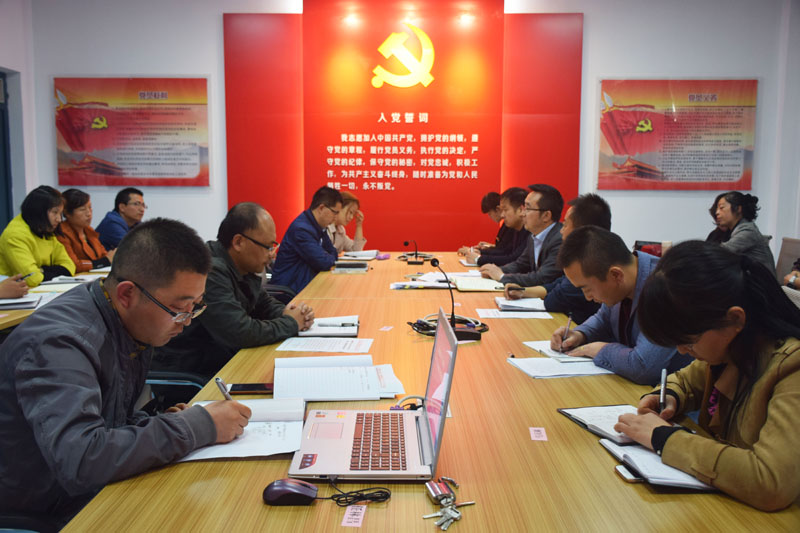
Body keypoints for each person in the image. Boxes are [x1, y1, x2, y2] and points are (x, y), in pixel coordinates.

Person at [0, 218, 251, 526]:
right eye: (179, 308)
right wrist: (196, 427)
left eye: (196, 306)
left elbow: (110, 419)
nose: (187, 321)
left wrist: (161, 422)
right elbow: (81, 461)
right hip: (45, 508)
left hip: (90, 492)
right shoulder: (59, 343)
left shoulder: (126, 321)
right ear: (126, 294)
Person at [614, 241, 800, 511]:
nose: (682, 351)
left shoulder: (791, 367)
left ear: (735, 320)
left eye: (689, 342)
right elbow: (686, 381)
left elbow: (770, 481)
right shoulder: (734, 348)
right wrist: (668, 396)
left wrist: (664, 438)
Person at [153, 203, 315, 381]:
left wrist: (289, 312)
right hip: (196, 374)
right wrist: (291, 323)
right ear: (238, 242)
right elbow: (240, 332)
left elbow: (263, 303)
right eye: (267, 247)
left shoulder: (242, 266)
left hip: (223, 359)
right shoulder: (211, 271)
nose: (272, 254)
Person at [551, 226, 691, 385]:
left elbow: (643, 367)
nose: (587, 298)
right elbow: (603, 319)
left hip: (670, 394)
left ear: (616, 275)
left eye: (587, 289)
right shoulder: (622, 282)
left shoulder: (664, 287)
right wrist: (579, 335)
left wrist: (598, 349)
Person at [504, 193, 611, 323]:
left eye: (565, 225)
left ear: (582, 232)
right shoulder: (590, 253)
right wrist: (523, 291)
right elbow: (556, 284)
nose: (561, 231)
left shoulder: (591, 263)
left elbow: (554, 299)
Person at [480, 184, 563, 286]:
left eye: (527, 208)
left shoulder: (560, 240)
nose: (522, 214)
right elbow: (520, 265)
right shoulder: (533, 237)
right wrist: (495, 270)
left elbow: (542, 277)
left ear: (546, 216)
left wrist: (502, 277)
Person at [0, 185, 75, 287]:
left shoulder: (45, 231)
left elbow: (70, 267)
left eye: (60, 213)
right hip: (15, 294)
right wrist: (50, 272)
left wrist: (42, 270)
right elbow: (32, 279)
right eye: (55, 212)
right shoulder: (15, 235)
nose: (59, 219)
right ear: (39, 211)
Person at [271, 186, 341, 294]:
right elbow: (324, 262)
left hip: (305, 285)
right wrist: (329, 257)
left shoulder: (318, 227)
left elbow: (333, 254)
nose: (336, 218)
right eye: (334, 213)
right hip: (290, 291)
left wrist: (329, 257)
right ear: (321, 208)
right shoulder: (301, 230)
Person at [462, 188, 530, 267]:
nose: (502, 215)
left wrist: (479, 258)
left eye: (505, 210)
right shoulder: (516, 228)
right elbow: (506, 252)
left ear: (521, 210)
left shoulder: (531, 232)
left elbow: (513, 259)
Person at [709, 191, 775, 274]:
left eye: (721, 208)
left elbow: (720, 253)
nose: (717, 212)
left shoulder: (748, 231)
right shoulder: (736, 229)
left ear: (738, 209)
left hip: (761, 281)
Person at [56, 188, 114, 273]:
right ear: (67, 213)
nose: (89, 213)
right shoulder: (62, 232)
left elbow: (103, 254)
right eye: (82, 209)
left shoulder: (88, 230)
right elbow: (74, 265)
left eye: (90, 207)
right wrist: (104, 261)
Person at [457, 191, 508, 257]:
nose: (503, 214)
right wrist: (490, 247)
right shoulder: (505, 225)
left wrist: (474, 252)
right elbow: (502, 249)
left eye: (490, 214)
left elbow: (506, 254)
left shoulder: (510, 226)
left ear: (497, 209)